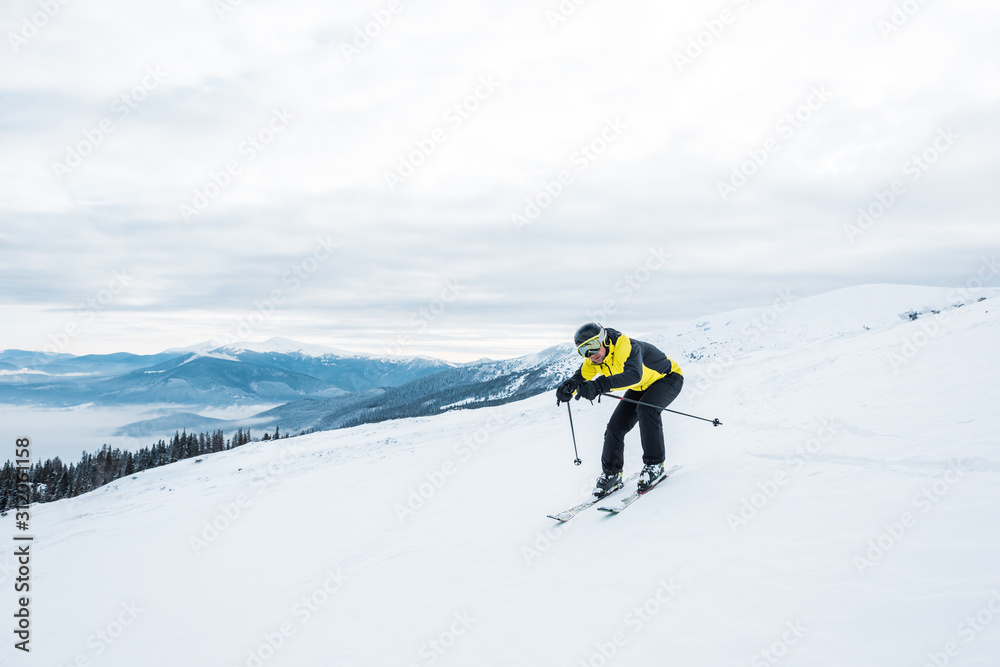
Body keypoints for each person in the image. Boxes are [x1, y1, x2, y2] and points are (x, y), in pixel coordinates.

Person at [556, 322, 683, 498]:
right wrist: (568, 387)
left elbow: (634, 375)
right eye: (584, 351)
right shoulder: (593, 360)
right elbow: (579, 378)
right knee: (615, 427)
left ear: (603, 340)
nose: (591, 355)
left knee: (646, 409)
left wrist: (599, 385)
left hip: (667, 379)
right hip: (641, 386)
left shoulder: (627, 347)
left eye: (592, 346)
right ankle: (612, 474)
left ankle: (655, 465)